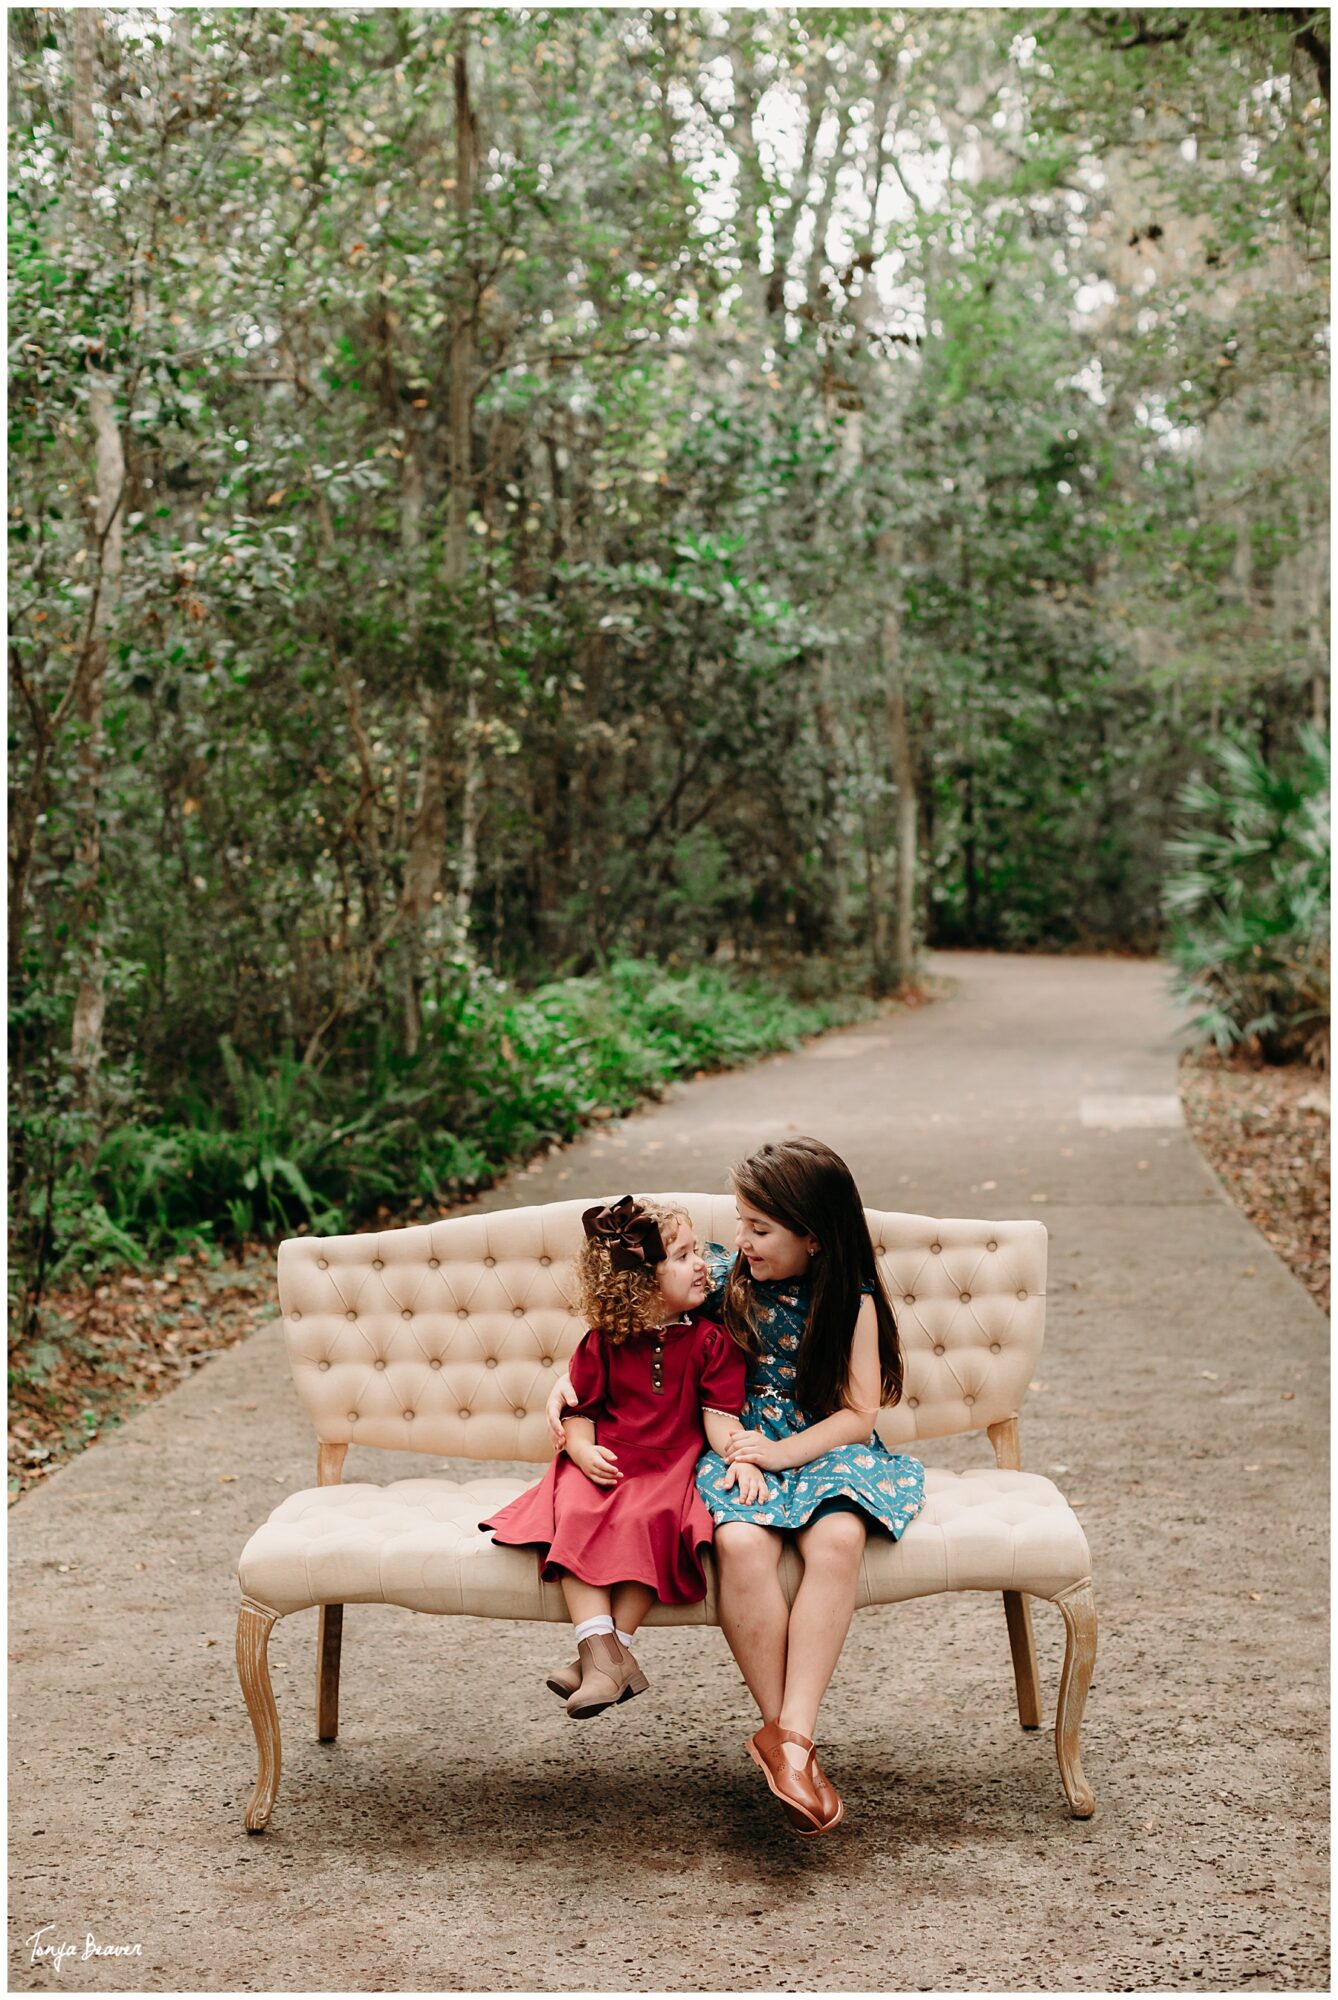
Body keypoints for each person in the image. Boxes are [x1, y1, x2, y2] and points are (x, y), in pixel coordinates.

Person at [545, 1138, 924, 1834]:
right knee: (741, 1544)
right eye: (741, 1223)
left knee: (838, 1538)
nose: (739, 1240)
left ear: (812, 1237)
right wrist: (565, 1390)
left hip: (821, 1445)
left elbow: (860, 1413)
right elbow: (630, 1312)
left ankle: (793, 1737)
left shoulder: (853, 1301)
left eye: (759, 1227)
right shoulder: (725, 1274)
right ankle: (784, 1743)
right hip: (739, 1446)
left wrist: (784, 1454)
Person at [480, 1194, 760, 1721]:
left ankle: (600, 1656)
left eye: (695, 1250)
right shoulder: (605, 1342)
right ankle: (606, 1655)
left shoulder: (710, 1342)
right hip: (609, 1455)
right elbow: (582, 1407)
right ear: (642, 1282)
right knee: (580, 1509)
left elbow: (719, 1418)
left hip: (670, 1463)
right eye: (682, 1256)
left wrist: (739, 1456)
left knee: (649, 1519)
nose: (703, 1264)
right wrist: (582, 1451)